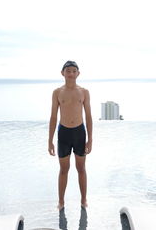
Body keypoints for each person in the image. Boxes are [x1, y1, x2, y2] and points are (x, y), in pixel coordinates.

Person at [48, 60, 93, 210]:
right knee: (63, 170)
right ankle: (61, 201)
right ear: (63, 73)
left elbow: (89, 116)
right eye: (68, 71)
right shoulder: (57, 92)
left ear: (78, 73)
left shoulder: (84, 92)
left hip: (79, 133)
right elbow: (53, 117)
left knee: (81, 168)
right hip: (64, 134)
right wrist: (50, 140)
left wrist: (90, 139)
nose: (71, 73)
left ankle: (83, 199)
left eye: (74, 71)